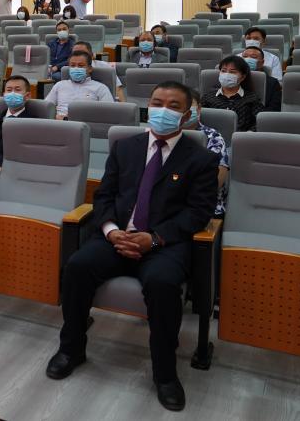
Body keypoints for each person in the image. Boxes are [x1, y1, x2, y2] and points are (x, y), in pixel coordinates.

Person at [47, 81, 218, 412]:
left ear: (186, 115)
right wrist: (111, 231)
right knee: (77, 267)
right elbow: (104, 196)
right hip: (117, 236)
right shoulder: (125, 147)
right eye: (157, 102)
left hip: (164, 244)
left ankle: (165, 373)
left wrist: (153, 238)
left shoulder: (201, 159)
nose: (162, 110)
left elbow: (198, 213)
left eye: (173, 106)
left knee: (163, 284)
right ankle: (71, 348)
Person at [0, 75, 46, 188]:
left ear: (27, 96)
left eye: (17, 90)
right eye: (9, 90)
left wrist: (6, 171)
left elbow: (37, 158)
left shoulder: (36, 124)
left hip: (17, 178)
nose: (12, 93)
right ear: (4, 95)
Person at [183, 90, 231, 217]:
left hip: (202, 207)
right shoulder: (163, 135)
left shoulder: (213, 137)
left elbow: (214, 183)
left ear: (198, 109)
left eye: (188, 104)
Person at [45, 51, 114, 119]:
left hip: (87, 123)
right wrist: (55, 117)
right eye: (72, 65)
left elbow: (109, 113)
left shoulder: (100, 88)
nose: (76, 68)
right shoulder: (59, 85)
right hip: (59, 123)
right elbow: (46, 108)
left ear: (90, 69)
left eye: (81, 66)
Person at [202, 55, 261, 132]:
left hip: (241, 137)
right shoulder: (208, 97)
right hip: (212, 136)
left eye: (232, 72)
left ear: (242, 77)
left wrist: (248, 134)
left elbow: (260, 122)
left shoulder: (252, 98)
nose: (226, 75)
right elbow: (199, 119)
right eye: (223, 71)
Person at [240, 46, 281, 112]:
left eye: (253, 57)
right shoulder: (236, 79)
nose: (248, 59)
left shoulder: (272, 83)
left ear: (262, 63)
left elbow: (274, 109)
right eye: (245, 56)